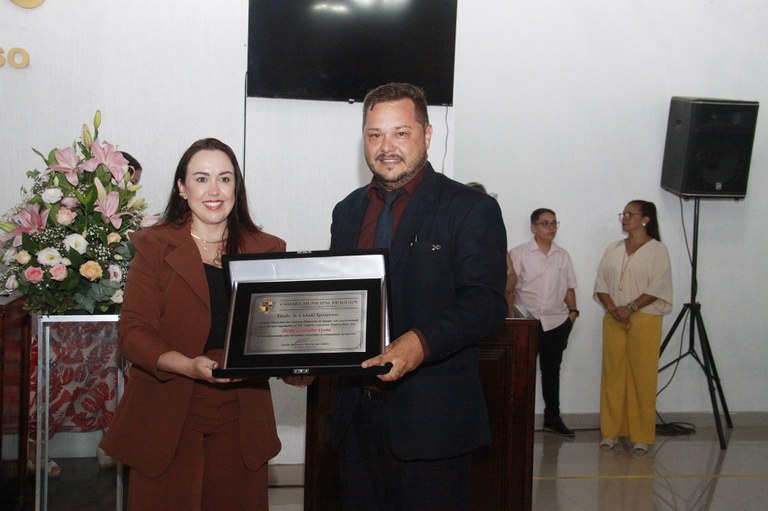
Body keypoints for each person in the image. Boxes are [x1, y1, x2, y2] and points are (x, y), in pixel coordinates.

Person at [330, 83, 508, 510]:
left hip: (433, 423)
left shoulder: (470, 208)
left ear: (427, 135)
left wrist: (419, 343)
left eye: (400, 133)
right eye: (375, 135)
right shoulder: (347, 211)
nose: (386, 147)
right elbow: (340, 300)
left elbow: (485, 303)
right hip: (356, 421)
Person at [100, 138, 284, 510]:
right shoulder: (153, 246)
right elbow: (132, 334)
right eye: (201, 179)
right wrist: (186, 365)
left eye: (225, 179)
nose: (214, 191)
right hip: (166, 415)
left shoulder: (268, 250)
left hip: (241, 417)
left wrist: (306, 359)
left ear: (236, 187)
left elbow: (279, 334)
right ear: (182, 188)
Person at [593, 200, 672, 457]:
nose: (625, 218)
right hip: (613, 317)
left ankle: (641, 435)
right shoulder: (613, 248)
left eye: (630, 214)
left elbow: (657, 286)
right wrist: (613, 309)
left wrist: (630, 308)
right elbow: (601, 283)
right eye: (623, 214)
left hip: (645, 318)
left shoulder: (658, 250)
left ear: (645, 219)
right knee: (613, 374)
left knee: (642, 376)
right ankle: (610, 431)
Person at [507, 208, 578, 437]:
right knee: (521, 373)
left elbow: (569, 288)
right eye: (545, 223)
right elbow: (510, 289)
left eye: (554, 223)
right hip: (527, 324)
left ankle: (552, 419)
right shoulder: (519, 254)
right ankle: (517, 420)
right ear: (533, 227)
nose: (551, 228)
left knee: (552, 372)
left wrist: (573, 315)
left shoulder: (562, 256)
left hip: (556, 323)